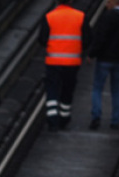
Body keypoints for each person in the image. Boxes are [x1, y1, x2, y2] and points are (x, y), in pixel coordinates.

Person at [38, 0, 91, 131]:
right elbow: (88, 39)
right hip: (72, 62)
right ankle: (64, 118)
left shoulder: (50, 17)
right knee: (67, 89)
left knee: (52, 89)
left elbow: (42, 39)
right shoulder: (80, 16)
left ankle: (52, 120)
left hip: (53, 62)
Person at [89, 0, 119, 130]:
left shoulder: (108, 17)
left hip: (105, 59)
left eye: (108, 2)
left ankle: (96, 117)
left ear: (115, 2)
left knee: (97, 88)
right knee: (116, 90)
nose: (106, 5)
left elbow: (101, 37)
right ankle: (115, 120)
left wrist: (92, 54)